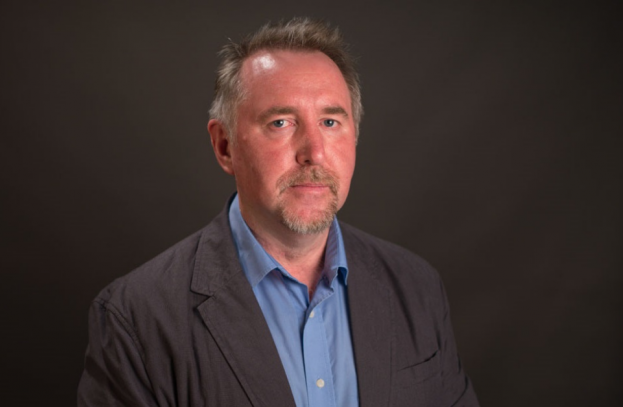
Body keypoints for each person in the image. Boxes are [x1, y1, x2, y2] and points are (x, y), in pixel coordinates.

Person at [78, 17, 479, 407]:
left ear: (354, 135)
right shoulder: (136, 317)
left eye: (329, 121)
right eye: (281, 122)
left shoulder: (417, 287)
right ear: (225, 146)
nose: (314, 153)